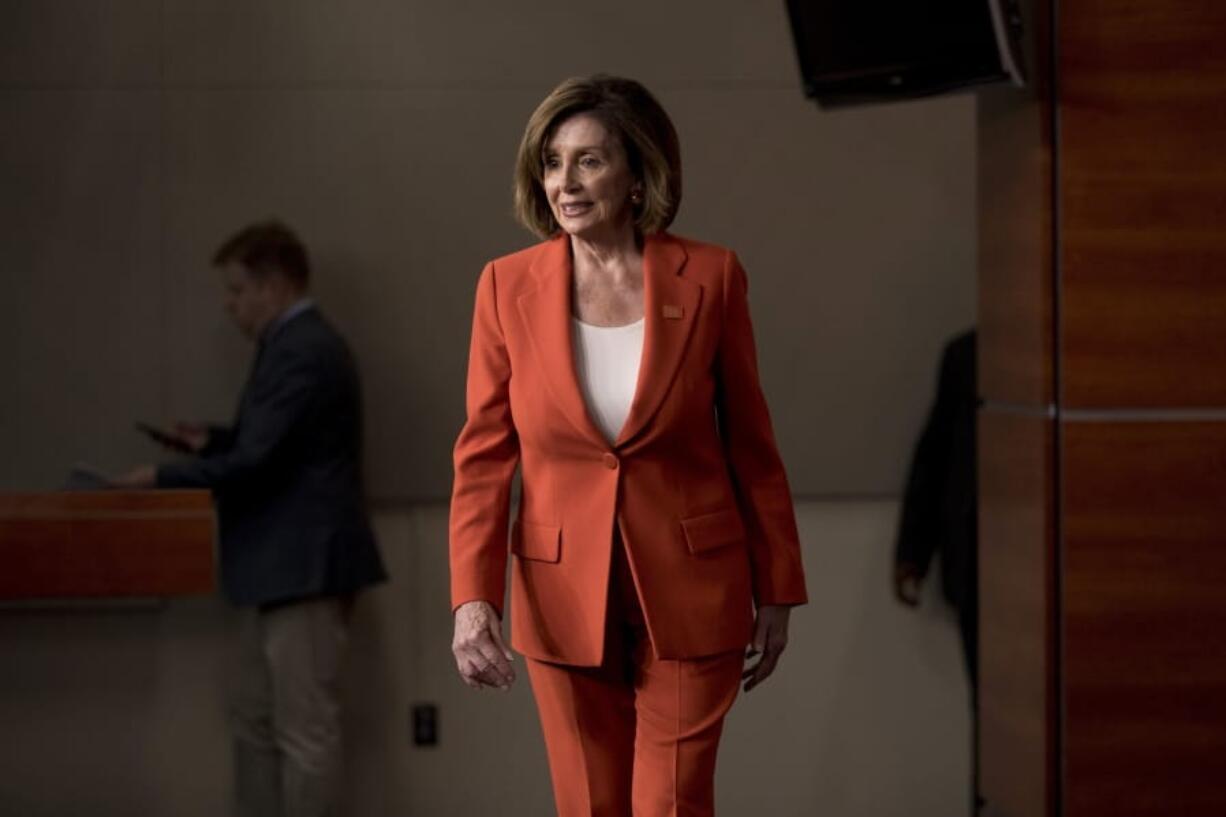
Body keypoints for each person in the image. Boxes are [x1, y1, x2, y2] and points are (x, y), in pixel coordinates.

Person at [448, 75, 808, 817]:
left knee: (670, 804)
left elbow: (752, 445)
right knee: (588, 805)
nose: (564, 183)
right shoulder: (502, 287)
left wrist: (778, 586)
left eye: (589, 161)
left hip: (692, 587)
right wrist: (472, 599)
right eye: (552, 161)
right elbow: (484, 457)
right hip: (560, 594)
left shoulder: (711, 276)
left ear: (638, 173)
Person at [113, 221, 387, 817]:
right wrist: (212, 441)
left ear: (275, 284)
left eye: (237, 291)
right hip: (283, 567)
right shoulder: (290, 346)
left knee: (303, 732)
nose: (231, 306)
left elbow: (259, 462)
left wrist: (158, 477)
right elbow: (271, 448)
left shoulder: (302, 349)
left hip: (303, 567)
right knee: (258, 722)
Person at [893, 328, 979, 814]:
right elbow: (936, 455)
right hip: (981, 570)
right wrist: (913, 552)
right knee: (992, 717)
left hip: (1061, 569)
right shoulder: (967, 355)